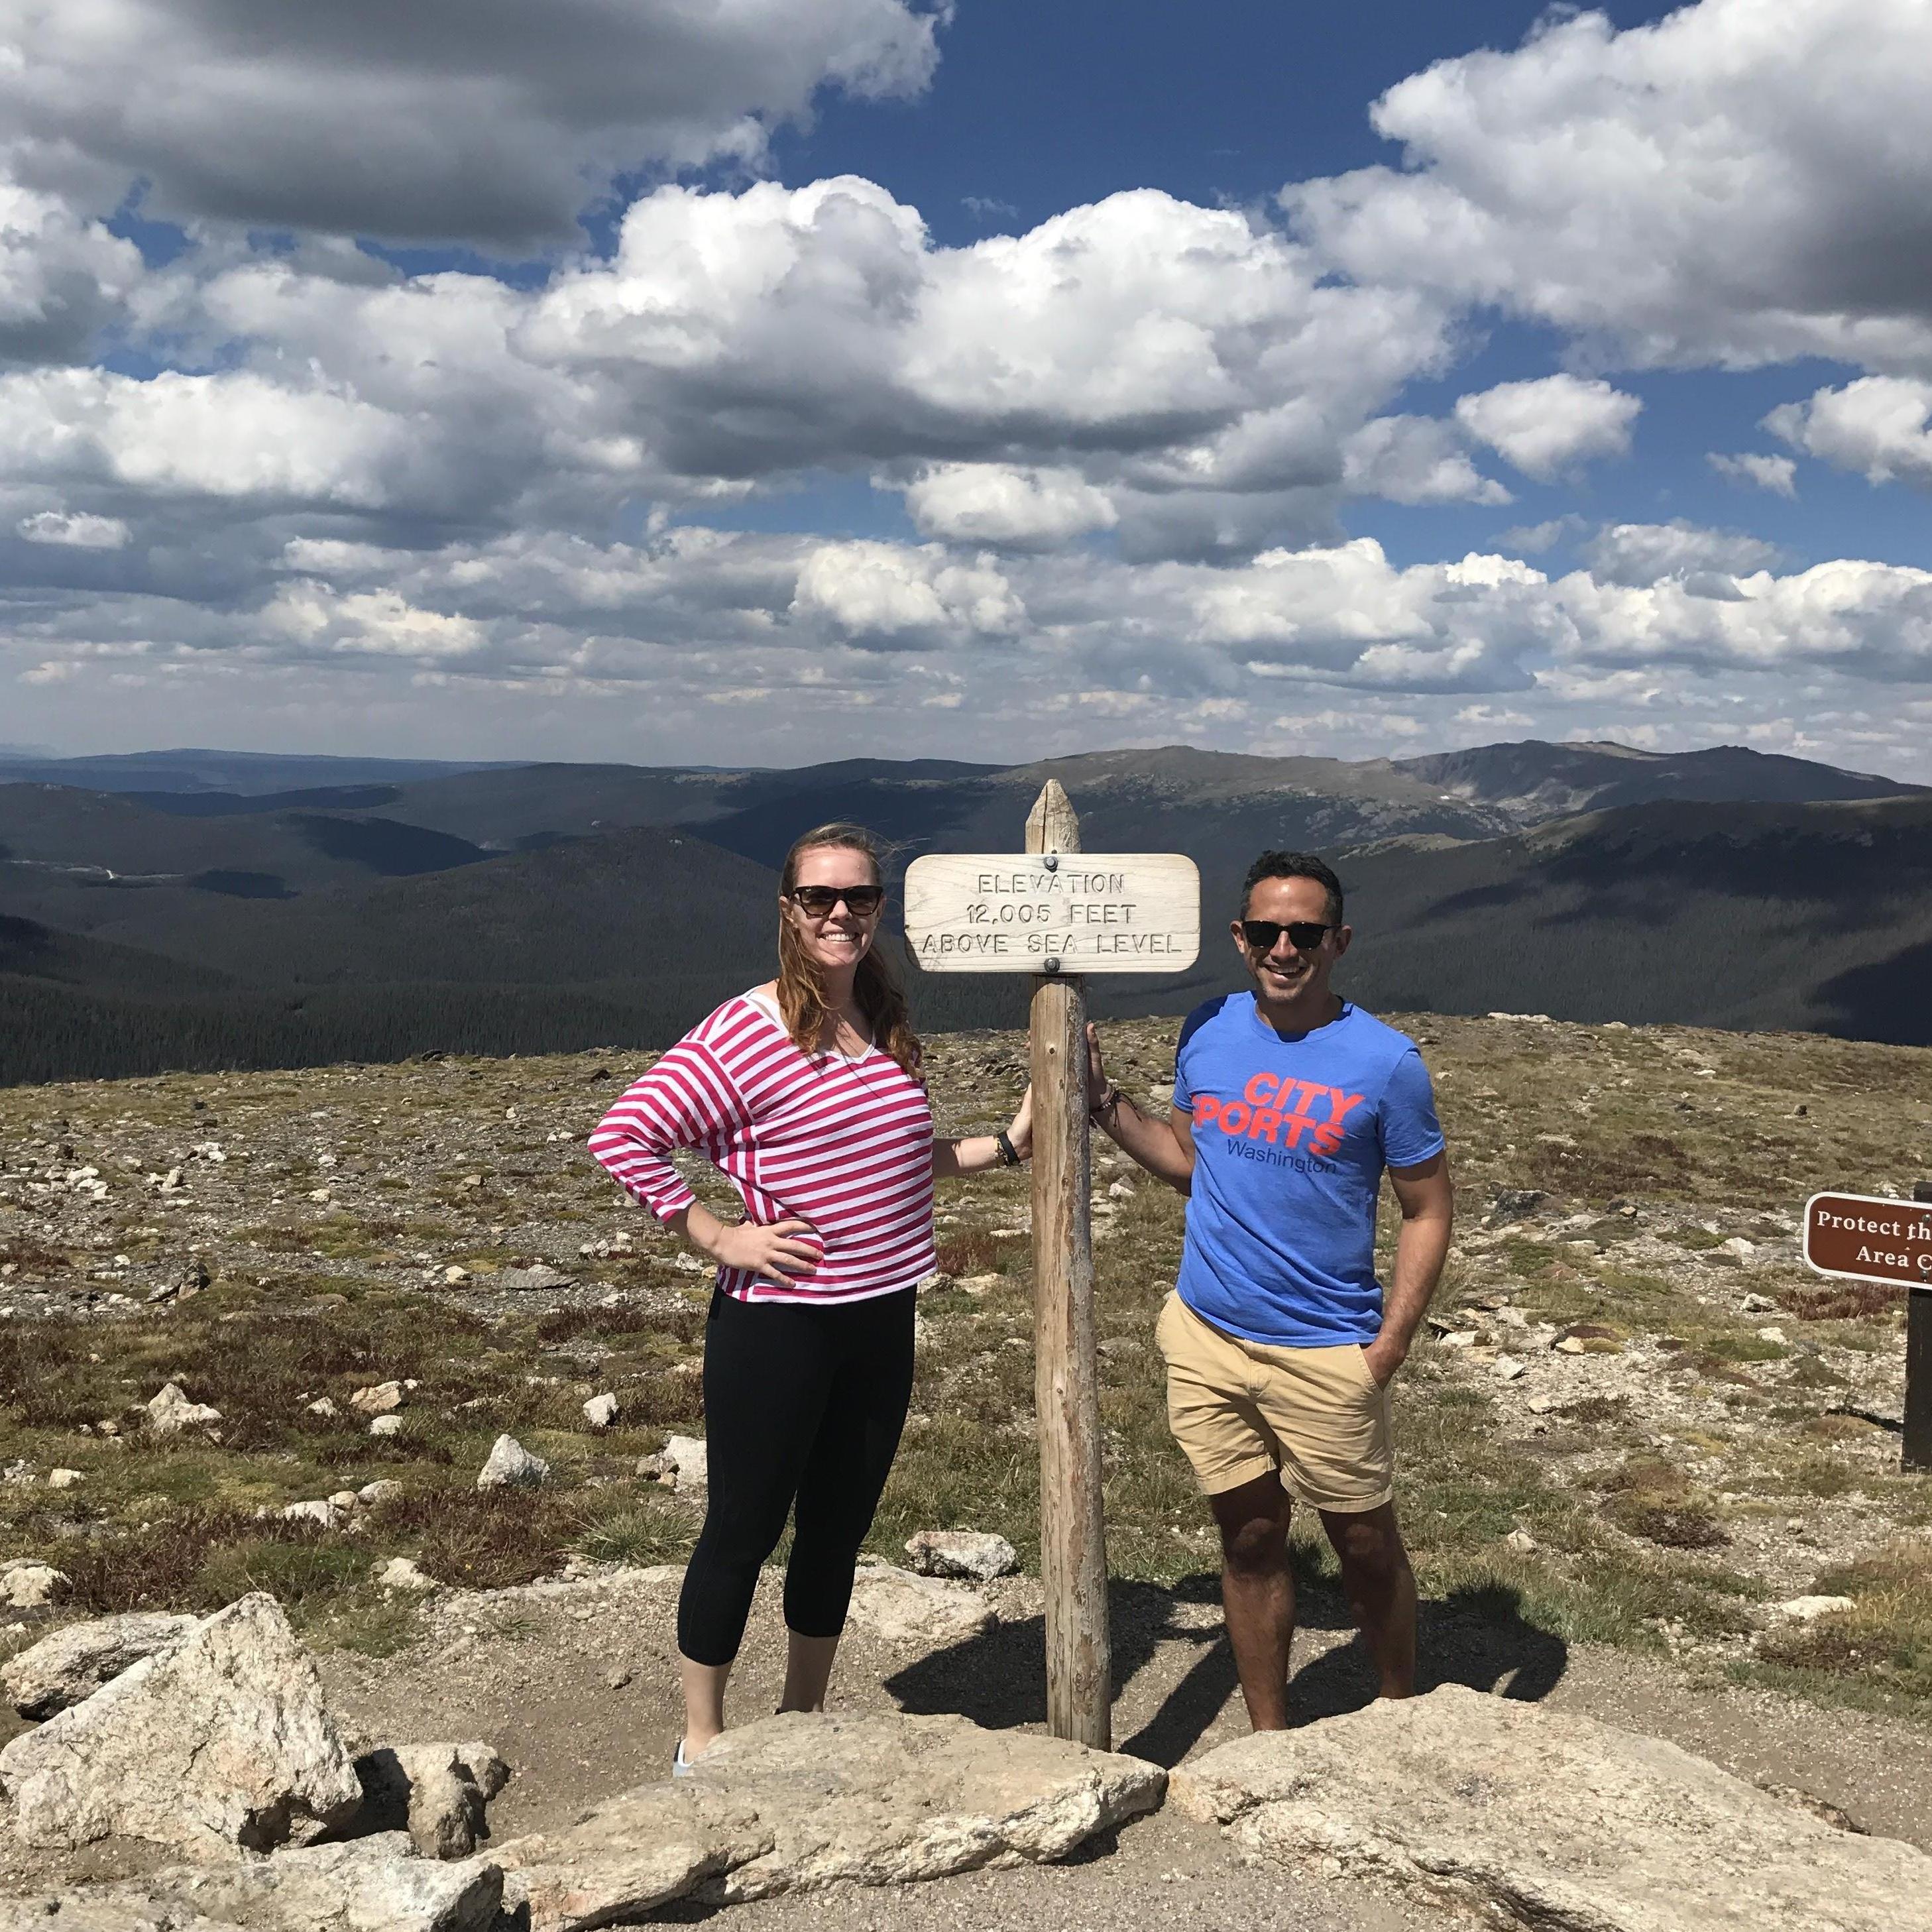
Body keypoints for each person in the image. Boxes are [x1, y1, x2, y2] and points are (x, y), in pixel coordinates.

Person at [587, 822, 1031, 1771]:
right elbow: (625, 1134)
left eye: (859, 897)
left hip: (880, 1316)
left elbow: (906, 1158)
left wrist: (1009, 1143)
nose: (840, 914)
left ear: (879, 908)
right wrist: (717, 1234)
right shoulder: (746, 1028)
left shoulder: (880, 1016)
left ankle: (801, 1719)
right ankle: (702, 1740)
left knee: (835, 1531)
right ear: (787, 910)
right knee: (742, 1529)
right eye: (819, 898)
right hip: (776, 1325)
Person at [1083, 849, 1451, 1727]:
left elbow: (1428, 1208)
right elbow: (1188, 1164)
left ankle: (1403, 1721)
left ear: (1339, 941)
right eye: (1268, 931)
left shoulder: (1386, 1063)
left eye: (1306, 932)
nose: (1285, 949)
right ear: (1241, 937)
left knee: (1362, 1546)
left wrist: (1389, 1344)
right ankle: (1269, 1740)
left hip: (1327, 1348)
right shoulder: (1207, 1026)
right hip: (1208, 1336)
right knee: (1249, 1539)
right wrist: (1104, 1106)